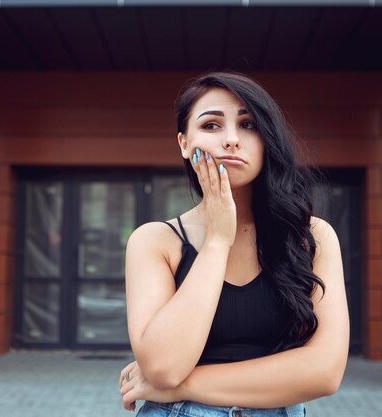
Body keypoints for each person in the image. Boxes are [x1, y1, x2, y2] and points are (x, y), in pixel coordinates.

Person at [118, 72, 349, 417]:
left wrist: (180, 386)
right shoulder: (155, 241)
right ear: (184, 143)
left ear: (266, 140)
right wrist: (216, 241)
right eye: (211, 125)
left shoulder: (311, 237)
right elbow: (164, 366)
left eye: (248, 125)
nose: (230, 140)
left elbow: (325, 372)